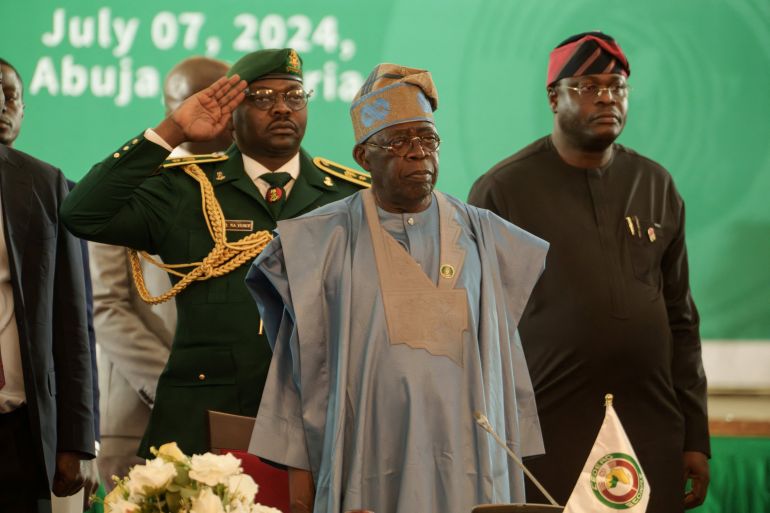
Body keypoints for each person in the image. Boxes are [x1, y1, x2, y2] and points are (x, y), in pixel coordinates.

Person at [245, 63, 549, 513]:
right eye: (398, 141)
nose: (418, 154)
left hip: (471, 464)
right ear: (364, 157)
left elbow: (506, 369)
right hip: (367, 466)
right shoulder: (322, 242)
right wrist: (301, 489)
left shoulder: (487, 237)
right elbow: (298, 376)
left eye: (428, 140)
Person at [60, 48, 368, 459]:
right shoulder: (187, 190)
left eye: (294, 96)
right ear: (230, 111)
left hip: (319, 426)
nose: (281, 108)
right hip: (200, 428)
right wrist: (171, 132)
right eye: (261, 98)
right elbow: (83, 213)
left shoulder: (350, 198)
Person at [468, 32, 710, 512]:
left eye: (617, 86)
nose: (606, 97)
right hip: (548, 428)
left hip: (651, 425)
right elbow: (477, 330)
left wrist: (694, 436)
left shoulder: (656, 184)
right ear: (553, 96)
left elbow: (680, 317)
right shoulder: (503, 192)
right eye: (587, 86)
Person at [89, 56, 229, 491]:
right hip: (136, 415)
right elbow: (105, 305)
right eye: (199, 100)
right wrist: (175, 384)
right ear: (171, 106)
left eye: (226, 99)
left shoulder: (257, 186)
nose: (214, 111)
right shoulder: (130, 183)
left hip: (231, 415)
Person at [1, 56, 101, 509]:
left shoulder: (45, 183)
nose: (3, 105)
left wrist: (79, 439)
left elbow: (74, 319)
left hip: (19, 428)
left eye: (11, 96)